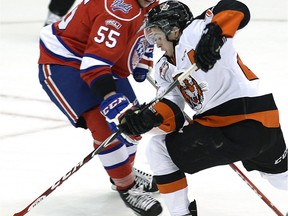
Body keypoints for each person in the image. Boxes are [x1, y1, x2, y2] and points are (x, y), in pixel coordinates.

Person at [118, 0, 288, 215]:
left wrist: (214, 34)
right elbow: (173, 110)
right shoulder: (163, 69)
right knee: (283, 178)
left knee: (159, 150)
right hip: (260, 122)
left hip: (239, 123)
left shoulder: (196, 32)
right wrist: (146, 119)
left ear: (174, 29)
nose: (155, 42)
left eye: (157, 34)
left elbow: (235, 7)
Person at [38, 0, 162, 215]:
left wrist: (144, 58)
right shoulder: (117, 12)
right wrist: (110, 97)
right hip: (63, 61)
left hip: (101, 59)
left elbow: (147, 29)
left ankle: (123, 173)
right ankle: (127, 186)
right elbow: (94, 66)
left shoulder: (148, 3)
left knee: (133, 119)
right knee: (105, 123)